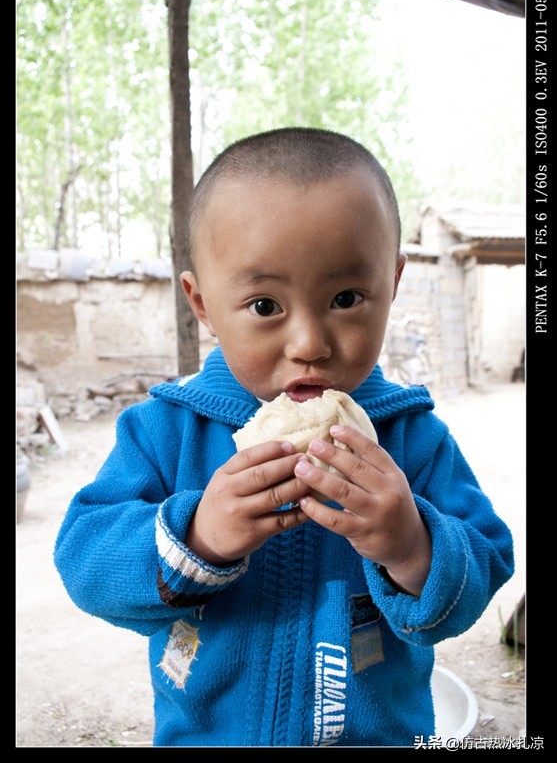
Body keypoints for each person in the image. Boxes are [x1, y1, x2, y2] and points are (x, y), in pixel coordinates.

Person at [54, 127, 514, 747]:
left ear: (394, 284)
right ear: (203, 303)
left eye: (346, 297)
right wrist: (197, 537)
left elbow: (485, 563)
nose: (309, 344)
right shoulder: (166, 430)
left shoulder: (411, 437)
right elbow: (84, 558)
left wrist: (411, 545)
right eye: (265, 306)